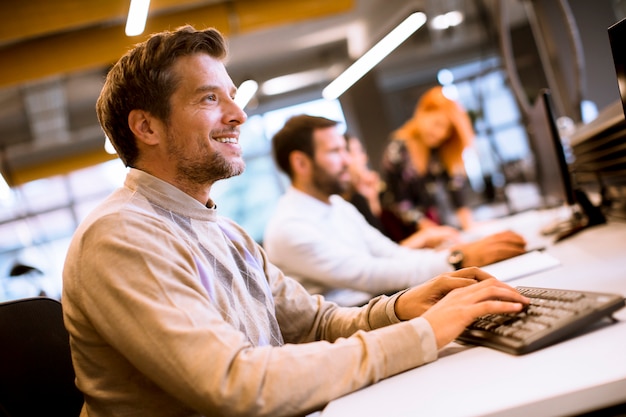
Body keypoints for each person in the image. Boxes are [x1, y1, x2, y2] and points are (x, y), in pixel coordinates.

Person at [62, 25, 529, 417]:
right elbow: (235, 384)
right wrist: (423, 335)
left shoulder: (222, 230)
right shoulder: (121, 236)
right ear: (147, 127)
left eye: (231, 96)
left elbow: (315, 324)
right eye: (209, 99)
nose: (238, 114)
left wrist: (404, 308)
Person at [264, 114, 527, 306]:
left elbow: (391, 255)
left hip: (379, 306)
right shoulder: (290, 227)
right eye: (335, 152)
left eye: (346, 150)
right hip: (350, 324)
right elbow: (370, 275)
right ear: (300, 162)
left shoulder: (336, 205)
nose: (348, 161)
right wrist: (456, 260)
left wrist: (458, 254)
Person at [380, 86, 476, 240]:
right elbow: (399, 201)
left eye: (447, 130)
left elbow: (455, 185)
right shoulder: (397, 150)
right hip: (399, 228)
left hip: (429, 224)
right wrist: (429, 229)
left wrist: (469, 227)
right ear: (422, 113)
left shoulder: (437, 149)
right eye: (438, 124)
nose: (440, 134)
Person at [343, 132, 461, 249]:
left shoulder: (367, 195)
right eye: (357, 152)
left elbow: (385, 243)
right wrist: (426, 236)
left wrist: (372, 200)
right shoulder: (351, 202)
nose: (364, 158)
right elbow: (387, 253)